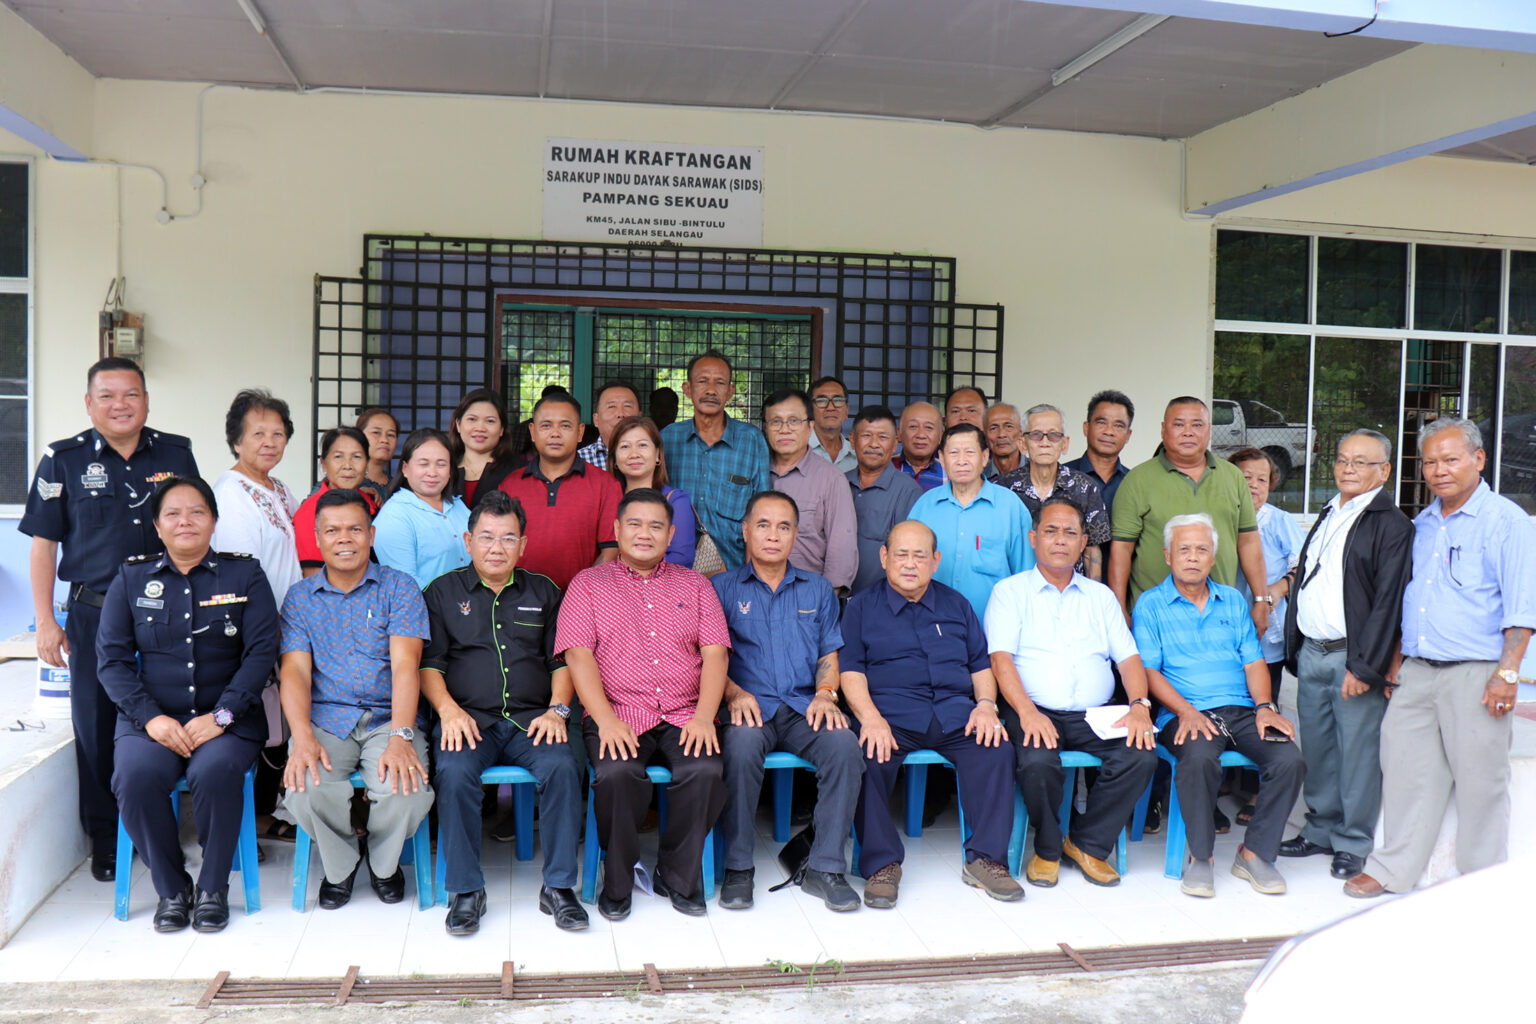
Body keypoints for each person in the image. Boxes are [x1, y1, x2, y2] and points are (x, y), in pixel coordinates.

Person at [20, 356, 199, 882]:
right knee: (97, 725)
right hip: (94, 615)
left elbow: (194, 525)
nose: (121, 405)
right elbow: (44, 545)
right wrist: (45, 621)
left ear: (147, 400)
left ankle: (161, 826)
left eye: (131, 394)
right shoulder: (63, 460)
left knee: (172, 709)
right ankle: (107, 836)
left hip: (168, 613)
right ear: (89, 402)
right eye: (108, 395)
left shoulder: (175, 453)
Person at [1345, 419, 1536, 899]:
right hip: (1417, 671)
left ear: (1478, 459)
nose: (1438, 470)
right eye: (1430, 462)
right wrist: (1395, 661)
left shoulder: (1506, 521)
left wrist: (1507, 673)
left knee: (1480, 784)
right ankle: (1392, 869)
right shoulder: (1423, 524)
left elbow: (1522, 607)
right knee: (1404, 771)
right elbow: (1408, 598)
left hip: (1477, 674)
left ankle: (1479, 882)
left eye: (1450, 459)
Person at [96, 476, 276, 932]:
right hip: (151, 721)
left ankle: (213, 887)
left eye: (197, 512)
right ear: (157, 526)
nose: (185, 522)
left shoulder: (245, 575)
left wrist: (222, 716)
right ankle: (172, 889)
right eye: (172, 514)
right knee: (135, 776)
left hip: (228, 721)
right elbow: (112, 662)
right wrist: (151, 719)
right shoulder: (131, 578)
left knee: (214, 771)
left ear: (214, 520)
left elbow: (261, 654)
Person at [555, 488, 730, 921]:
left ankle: (676, 874)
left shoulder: (696, 585)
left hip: (685, 711)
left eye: (656, 526)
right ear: (617, 530)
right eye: (634, 524)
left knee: (705, 770)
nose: (644, 534)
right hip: (618, 711)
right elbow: (578, 655)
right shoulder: (587, 584)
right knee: (617, 774)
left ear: (671, 534)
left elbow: (715, 654)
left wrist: (704, 718)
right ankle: (618, 881)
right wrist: (605, 720)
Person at [420, 490, 587, 935]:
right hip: (468, 720)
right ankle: (466, 891)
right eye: (487, 537)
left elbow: (561, 661)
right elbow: (429, 665)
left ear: (523, 544)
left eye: (508, 538)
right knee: (454, 772)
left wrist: (557, 711)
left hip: (533, 720)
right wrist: (448, 712)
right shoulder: (441, 593)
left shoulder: (544, 591)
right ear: (468, 541)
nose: (497, 548)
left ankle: (559, 887)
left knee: (563, 765)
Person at [840, 520, 1023, 907]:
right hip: (891, 715)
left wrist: (986, 706)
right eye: (901, 554)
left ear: (935, 561)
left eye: (920, 556)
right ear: (884, 557)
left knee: (997, 749)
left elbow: (979, 665)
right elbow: (851, 671)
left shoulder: (956, 605)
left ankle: (986, 859)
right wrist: (870, 717)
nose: (910, 564)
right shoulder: (861, 608)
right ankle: (882, 865)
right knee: (864, 754)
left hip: (956, 714)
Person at [985, 497, 1158, 888]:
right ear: (1034, 538)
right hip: (1033, 707)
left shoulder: (1100, 597)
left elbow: (1129, 658)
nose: (1060, 540)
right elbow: (1000, 660)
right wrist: (1027, 713)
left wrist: (1139, 705)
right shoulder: (1009, 592)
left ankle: (1086, 844)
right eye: (1051, 531)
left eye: (1070, 533)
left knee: (1140, 754)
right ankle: (1047, 848)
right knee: (1037, 763)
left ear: (1083, 543)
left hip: (1095, 712)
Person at [1133, 513, 1304, 899]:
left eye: (1202, 550)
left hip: (1240, 710)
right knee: (1198, 759)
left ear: (1213, 557)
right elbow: (1149, 671)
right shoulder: (1151, 604)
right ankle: (1201, 857)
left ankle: (1254, 853)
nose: (1193, 557)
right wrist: (1185, 711)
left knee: (1288, 760)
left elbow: (1254, 662)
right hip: (1183, 712)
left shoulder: (1232, 600)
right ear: (1167, 556)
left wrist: (1265, 706)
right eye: (1184, 550)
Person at [279, 489, 435, 910]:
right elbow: (294, 672)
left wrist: (402, 736)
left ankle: (384, 865)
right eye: (332, 531)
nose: (344, 539)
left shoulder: (399, 588)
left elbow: (406, 666)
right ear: (317, 538)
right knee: (304, 787)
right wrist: (301, 736)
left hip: (389, 718)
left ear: (371, 535)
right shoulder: (300, 598)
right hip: (327, 720)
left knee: (406, 790)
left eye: (355, 529)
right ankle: (342, 864)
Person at [712, 491, 863, 913]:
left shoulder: (817, 589)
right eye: (763, 525)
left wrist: (826, 694)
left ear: (796, 534)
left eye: (784, 527)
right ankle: (738, 867)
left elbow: (828, 652)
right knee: (740, 748)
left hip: (802, 707)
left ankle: (825, 867)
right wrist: (733, 693)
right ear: (745, 531)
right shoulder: (721, 589)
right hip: (748, 708)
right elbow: (708, 658)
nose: (773, 535)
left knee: (844, 746)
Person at [1277, 430, 1411, 881]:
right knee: (1318, 749)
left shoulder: (1391, 524)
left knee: (1356, 753)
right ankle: (1319, 830)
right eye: (1342, 460)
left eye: (1361, 462)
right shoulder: (1331, 510)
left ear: (1384, 471)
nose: (1348, 469)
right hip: (1313, 652)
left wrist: (1365, 665)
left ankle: (1352, 842)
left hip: (1352, 657)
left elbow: (1389, 602)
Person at [1108, 397, 1270, 632]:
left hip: (1221, 616)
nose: (1188, 432)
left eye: (1197, 425)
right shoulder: (1137, 480)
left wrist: (1261, 600)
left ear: (1209, 430)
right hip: (1157, 618)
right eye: (1178, 424)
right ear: (1163, 429)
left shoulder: (1233, 477)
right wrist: (1118, 609)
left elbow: (1249, 542)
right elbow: (1122, 549)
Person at [499, 390, 622, 590]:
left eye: (565, 426)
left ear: (580, 432)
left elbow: (610, 551)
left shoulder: (606, 485)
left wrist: (581, 593)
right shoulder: (511, 484)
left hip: (582, 599)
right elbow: (500, 545)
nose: (555, 434)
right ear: (532, 431)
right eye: (546, 425)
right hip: (518, 598)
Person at [909, 424, 1032, 621]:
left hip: (993, 628)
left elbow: (1025, 574)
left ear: (984, 457)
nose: (961, 461)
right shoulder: (925, 506)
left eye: (969, 452)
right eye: (954, 453)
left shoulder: (1010, 507)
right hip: (932, 625)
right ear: (942, 458)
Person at [661, 350, 770, 570]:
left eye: (720, 383)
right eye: (702, 381)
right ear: (687, 389)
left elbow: (762, 512)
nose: (711, 390)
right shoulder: (667, 438)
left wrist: (751, 577)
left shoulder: (751, 440)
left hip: (733, 571)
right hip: (674, 573)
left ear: (730, 391)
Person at [996, 404, 1110, 581]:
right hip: (1017, 589)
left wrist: (1092, 592)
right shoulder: (1002, 488)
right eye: (1036, 435)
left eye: (1054, 435)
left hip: (1070, 589)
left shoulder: (1085, 487)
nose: (1045, 442)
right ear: (1022, 444)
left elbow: (1092, 552)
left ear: (1065, 444)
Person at [211, 389, 302, 610]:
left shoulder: (279, 488)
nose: (269, 443)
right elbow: (240, 574)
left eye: (278, 434)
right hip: (261, 619)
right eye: (259, 434)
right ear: (237, 442)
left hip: (292, 619)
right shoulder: (231, 493)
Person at [763, 388, 858, 592]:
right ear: (766, 427)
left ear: (810, 427)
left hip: (809, 597)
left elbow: (842, 550)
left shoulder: (831, 479)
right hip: (755, 595)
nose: (785, 429)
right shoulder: (755, 472)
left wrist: (826, 599)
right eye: (776, 421)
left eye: (794, 421)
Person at [1227, 448, 1302, 684]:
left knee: (1266, 692)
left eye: (1262, 480)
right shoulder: (1221, 518)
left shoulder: (1279, 521)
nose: (1254, 485)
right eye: (1246, 477)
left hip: (1267, 627)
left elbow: (1306, 565)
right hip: (1225, 625)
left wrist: (1278, 589)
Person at [372, 428, 471, 589]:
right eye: (423, 464)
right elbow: (405, 584)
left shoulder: (458, 506)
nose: (432, 472)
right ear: (405, 469)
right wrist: (452, 601)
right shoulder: (394, 516)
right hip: (428, 605)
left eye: (441, 464)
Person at [846, 406, 923, 595]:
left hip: (882, 600)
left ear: (895, 443)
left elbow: (908, 554)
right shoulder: (838, 483)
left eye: (882, 437)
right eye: (866, 436)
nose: (874, 444)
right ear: (852, 440)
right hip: (835, 597)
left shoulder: (908, 491)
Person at [608, 415, 696, 567]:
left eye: (642, 445)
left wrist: (635, 571)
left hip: (664, 582)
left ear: (657, 454)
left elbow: (682, 558)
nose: (634, 454)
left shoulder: (675, 500)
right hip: (610, 581)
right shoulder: (606, 499)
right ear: (614, 458)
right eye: (625, 447)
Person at [293, 426, 378, 579]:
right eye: (338, 457)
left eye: (356, 457)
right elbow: (314, 579)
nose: (348, 466)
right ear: (324, 464)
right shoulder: (310, 512)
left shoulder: (369, 501)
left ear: (367, 463)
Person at [447, 388, 524, 507]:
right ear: (458, 424)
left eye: (490, 421)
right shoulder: (444, 468)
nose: (480, 428)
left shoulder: (519, 471)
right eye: (472, 419)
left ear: (502, 429)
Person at [1065, 390, 1135, 515]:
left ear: (1128, 435)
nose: (1109, 431)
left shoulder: (1133, 482)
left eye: (1118, 426)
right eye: (1102, 423)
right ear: (1086, 428)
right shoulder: (1062, 476)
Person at [577, 381, 642, 471]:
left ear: (639, 417)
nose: (620, 414)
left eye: (627, 406)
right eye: (611, 407)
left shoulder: (651, 458)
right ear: (596, 420)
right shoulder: (579, 460)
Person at [807, 376, 856, 473]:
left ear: (847, 411)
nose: (830, 408)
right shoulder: (798, 451)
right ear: (810, 410)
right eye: (821, 401)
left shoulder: (856, 455)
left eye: (838, 400)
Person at [892, 402, 945, 491]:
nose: (921, 435)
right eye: (913, 427)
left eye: (929, 427)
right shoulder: (884, 468)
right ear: (899, 434)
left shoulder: (951, 473)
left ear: (940, 436)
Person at [355, 407, 399, 507]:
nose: (384, 440)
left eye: (391, 435)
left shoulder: (398, 487)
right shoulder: (344, 479)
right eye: (376, 433)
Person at [982, 403, 1024, 481]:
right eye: (993, 428)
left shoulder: (1036, 471)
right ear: (985, 435)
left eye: (1009, 426)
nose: (1001, 434)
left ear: (1020, 432)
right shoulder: (979, 476)